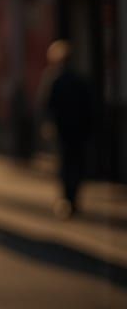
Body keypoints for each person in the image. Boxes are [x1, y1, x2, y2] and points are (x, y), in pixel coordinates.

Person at [42, 39, 93, 219]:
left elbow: (47, 105)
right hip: (78, 130)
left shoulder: (55, 79)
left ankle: (67, 199)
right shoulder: (79, 79)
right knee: (76, 163)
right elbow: (89, 106)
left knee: (66, 164)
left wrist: (49, 125)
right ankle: (73, 199)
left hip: (64, 130)